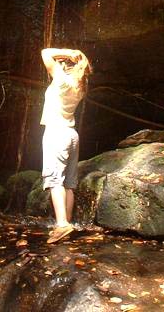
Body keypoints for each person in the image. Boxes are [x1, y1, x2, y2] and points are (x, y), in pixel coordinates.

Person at [40, 47, 92, 244]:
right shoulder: (80, 86)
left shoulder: (62, 81)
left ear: (65, 66)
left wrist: (68, 52)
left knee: (54, 180)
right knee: (69, 183)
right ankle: (67, 223)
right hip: (72, 134)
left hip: (56, 133)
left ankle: (61, 224)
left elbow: (45, 52)